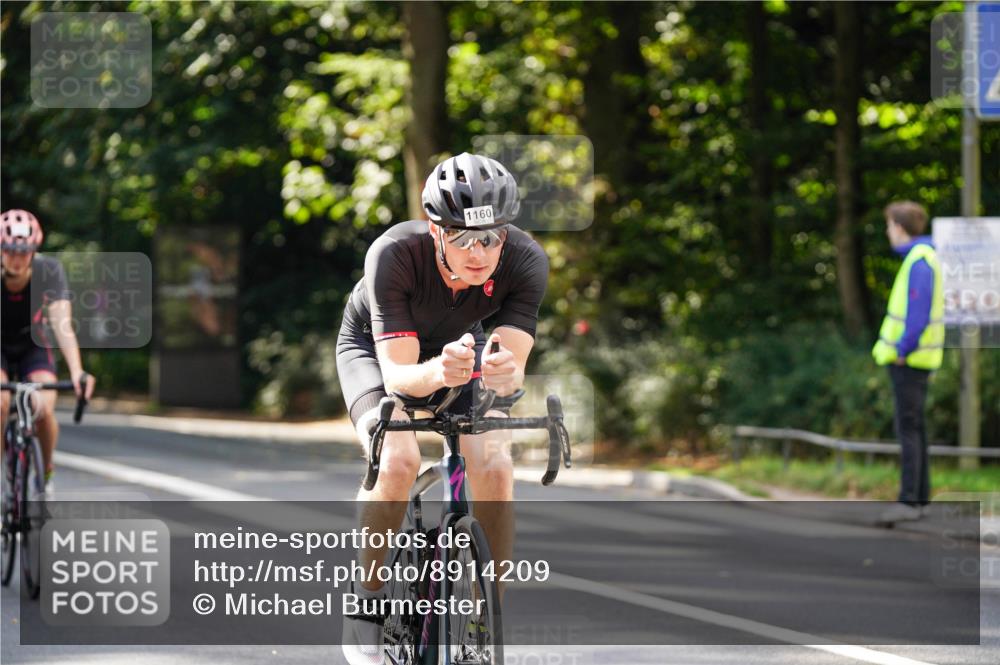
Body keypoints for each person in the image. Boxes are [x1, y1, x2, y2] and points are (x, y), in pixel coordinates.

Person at [335, 152, 548, 664]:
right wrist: (437, 372)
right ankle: (366, 599)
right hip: (377, 351)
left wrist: (504, 371)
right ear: (435, 232)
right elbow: (401, 377)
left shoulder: (526, 259)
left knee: (496, 464)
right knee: (399, 461)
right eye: (462, 237)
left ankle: (484, 617)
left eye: (491, 237)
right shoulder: (393, 254)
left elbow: (513, 359)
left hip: (461, 349)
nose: (479, 252)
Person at [1, 209, 95, 496]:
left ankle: (46, 474)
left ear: (34, 250)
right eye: (9, 251)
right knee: (0, 403)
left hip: (34, 345)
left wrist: (77, 371)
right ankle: (4, 478)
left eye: (24, 251)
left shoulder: (48, 272)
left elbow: (62, 324)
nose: (17, 258)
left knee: (42, 408)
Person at [872, 201, 944, 524]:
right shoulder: (925, 258)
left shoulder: (918, 261)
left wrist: (903, 349)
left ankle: (909, 501)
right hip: (918, 359)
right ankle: (921, 500)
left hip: (909, 360)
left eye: (889, 226)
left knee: (909, 430)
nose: (888, 232)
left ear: (900, 227)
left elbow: (917, 317)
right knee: (917, 429)